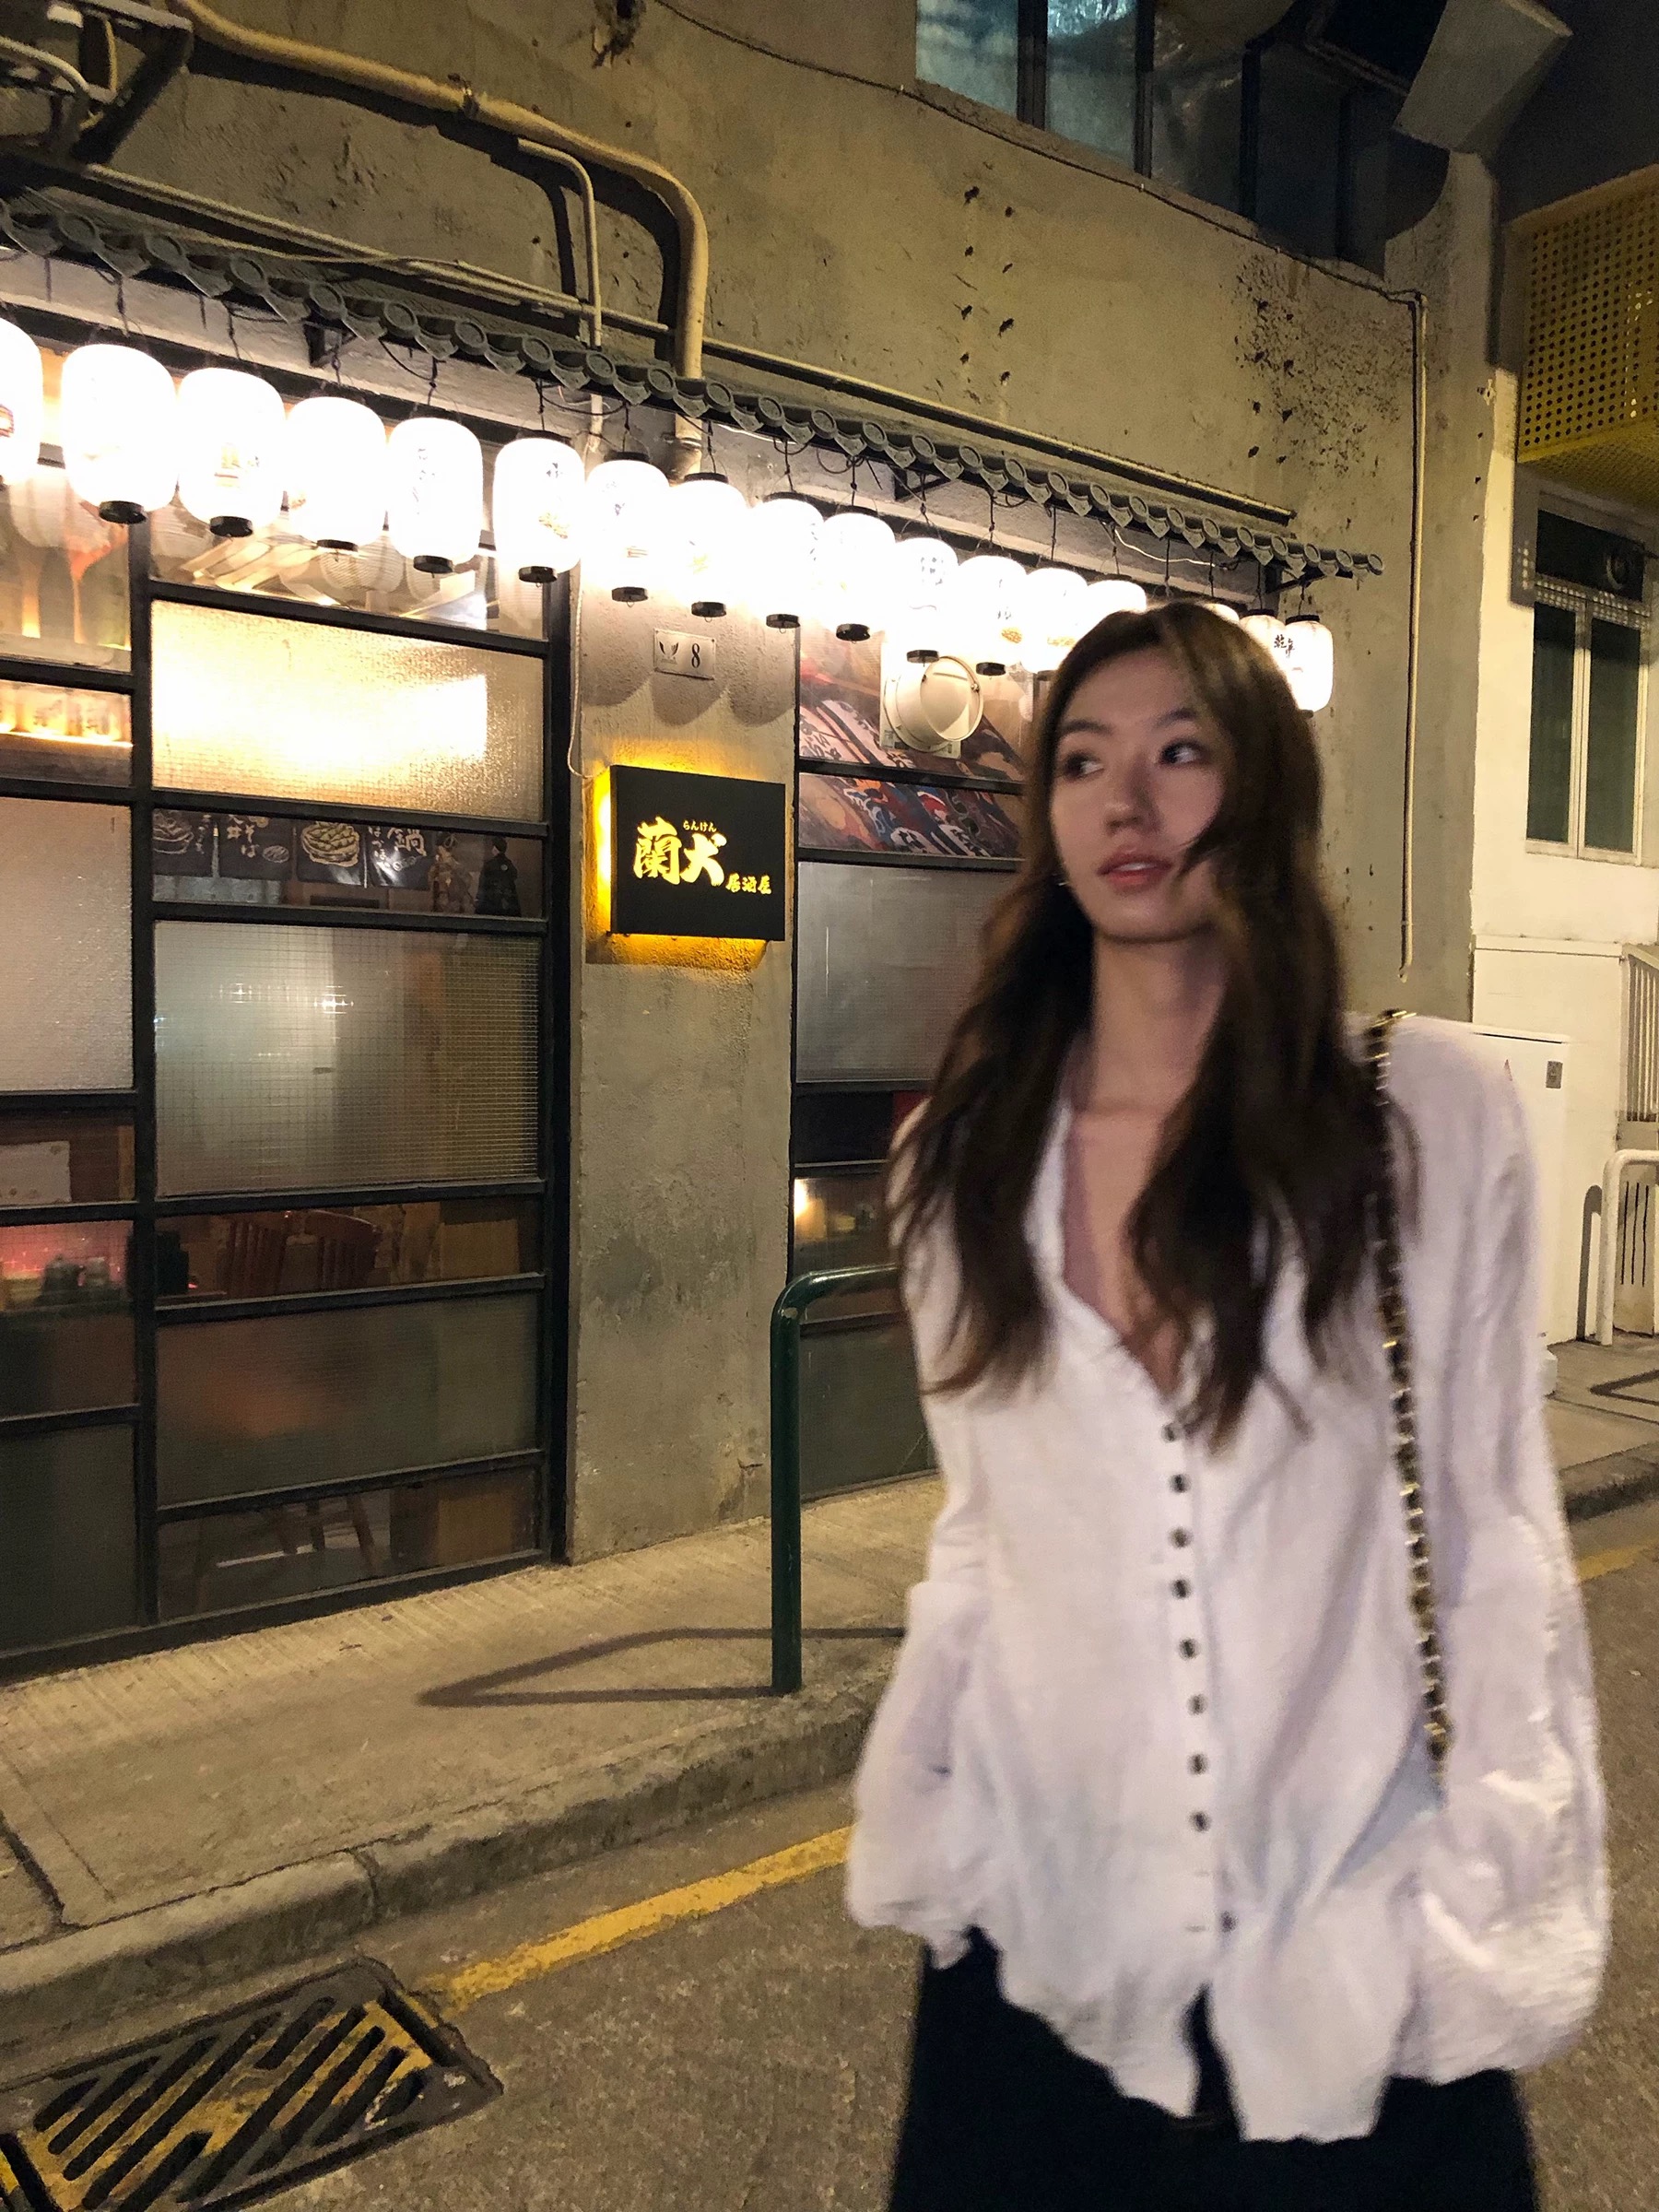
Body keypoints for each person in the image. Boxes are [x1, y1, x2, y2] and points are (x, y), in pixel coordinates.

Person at [846, 601, 1607, 2211]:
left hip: (1353, 1954)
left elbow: (1496, 1540)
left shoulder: (1424, 1117)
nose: (1126, 803)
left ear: (1265, 790)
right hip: (1043, 1947)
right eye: (1082, 762)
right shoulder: (956, 1160)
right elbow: (985, 1538)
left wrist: (1478, 1898)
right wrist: (932, 1825)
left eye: (1181, 753)